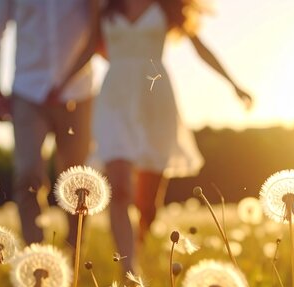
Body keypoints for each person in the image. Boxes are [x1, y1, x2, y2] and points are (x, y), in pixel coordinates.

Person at [59, 0, 252, 273]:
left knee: (147, 205)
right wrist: (60, 86)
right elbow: (89, 47)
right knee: (120, 187)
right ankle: (129, 270)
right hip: (116, 100)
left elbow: (201, 48)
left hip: (155, 100)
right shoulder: (105, 8)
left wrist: (234, 84)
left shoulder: (168, 7)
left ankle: (139, 243)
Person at [0, 0, 99, 248]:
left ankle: (74, 250)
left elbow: (98, 28)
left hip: (78, 92)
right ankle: (36, 257)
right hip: (28, 91)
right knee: (27, 173)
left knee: (79, 179)